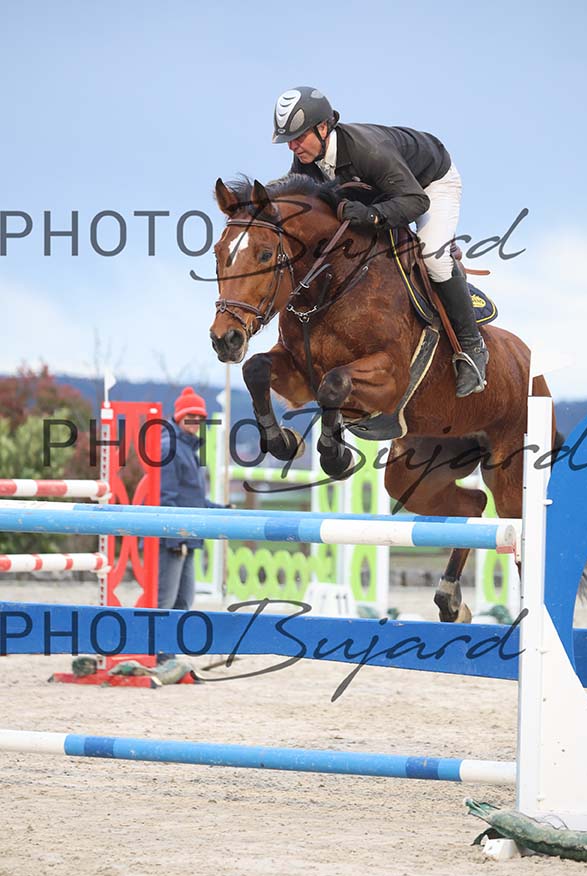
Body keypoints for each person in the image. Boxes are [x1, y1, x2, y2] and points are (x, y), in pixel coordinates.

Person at [272, 86, 488, 398]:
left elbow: (416, 201)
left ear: (323, 128)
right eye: (288, 140)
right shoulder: (307, 159)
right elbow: (292, 194)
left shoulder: (367, 150)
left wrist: (372, 216)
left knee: (433, 256)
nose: (292, 146)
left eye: (298, 137)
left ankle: (472, 348)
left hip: (428, 185)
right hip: (383, 191)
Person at [157, 387, 226, 660]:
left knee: (184, 600)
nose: (196, 421)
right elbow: (165, 499)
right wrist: (177, 537)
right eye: (190, 416)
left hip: (186, 539)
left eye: (200, 417)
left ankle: (168, 656)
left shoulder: (188, 449)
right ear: (178, 417)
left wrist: (223, 513)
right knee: (164, 602)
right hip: (171, 541)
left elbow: (193, 500)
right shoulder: (169, 448)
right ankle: (156, 654)